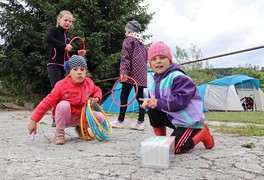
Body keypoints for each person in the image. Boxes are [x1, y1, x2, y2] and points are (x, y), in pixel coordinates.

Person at [140, 41, 214, 154]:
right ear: (150, 64)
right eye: (154, 59)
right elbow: (156, 102)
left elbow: (181, 100)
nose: (158, 61)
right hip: (174, 118)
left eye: (162, 57)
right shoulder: (153, 83)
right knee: (153, 111)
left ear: (170, 60)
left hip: (188, 121)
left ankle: (202, 132)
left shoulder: (178, 77)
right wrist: (149, 102)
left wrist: (157, 102)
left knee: (176, 148)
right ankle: (161, 141)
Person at [28, 55, 104, 145]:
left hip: (80, 116)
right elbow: (46, 102)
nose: (79, 72)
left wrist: (97, 98)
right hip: (65, 117)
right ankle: (59, 131)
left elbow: (97, 90)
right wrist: (34, 120)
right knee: (63, 104)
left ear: (86, 72)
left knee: (101, 117)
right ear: (69, 73)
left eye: (82, 69)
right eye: (75, 69)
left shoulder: (89, 83)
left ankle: (81, 127)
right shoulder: (61, 85)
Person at [46, 10, 86, 127]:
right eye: (65, 20)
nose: (67, 23)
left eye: (70, 21)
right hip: (54, 64)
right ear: (59, 20)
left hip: (65, 67)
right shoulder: (53, 30)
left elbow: (66, 52)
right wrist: (64, 46)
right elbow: (48, 39)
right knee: (56, 91)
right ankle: (55, 117)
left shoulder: (68, 36)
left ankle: (64, 115)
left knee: (64, 92)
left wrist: (77, 52)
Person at [110, 20, 148, 131]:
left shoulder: (128, 40)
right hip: (141, 74)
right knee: (140, 97)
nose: (124, 32)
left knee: (124, 96)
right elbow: (145, 59)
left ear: (129, 30)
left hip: (130, 74)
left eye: (125, 30)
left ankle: (120, 121)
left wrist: (124, 72)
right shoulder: (142, 43)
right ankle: (140, 122)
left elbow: (125, 58)